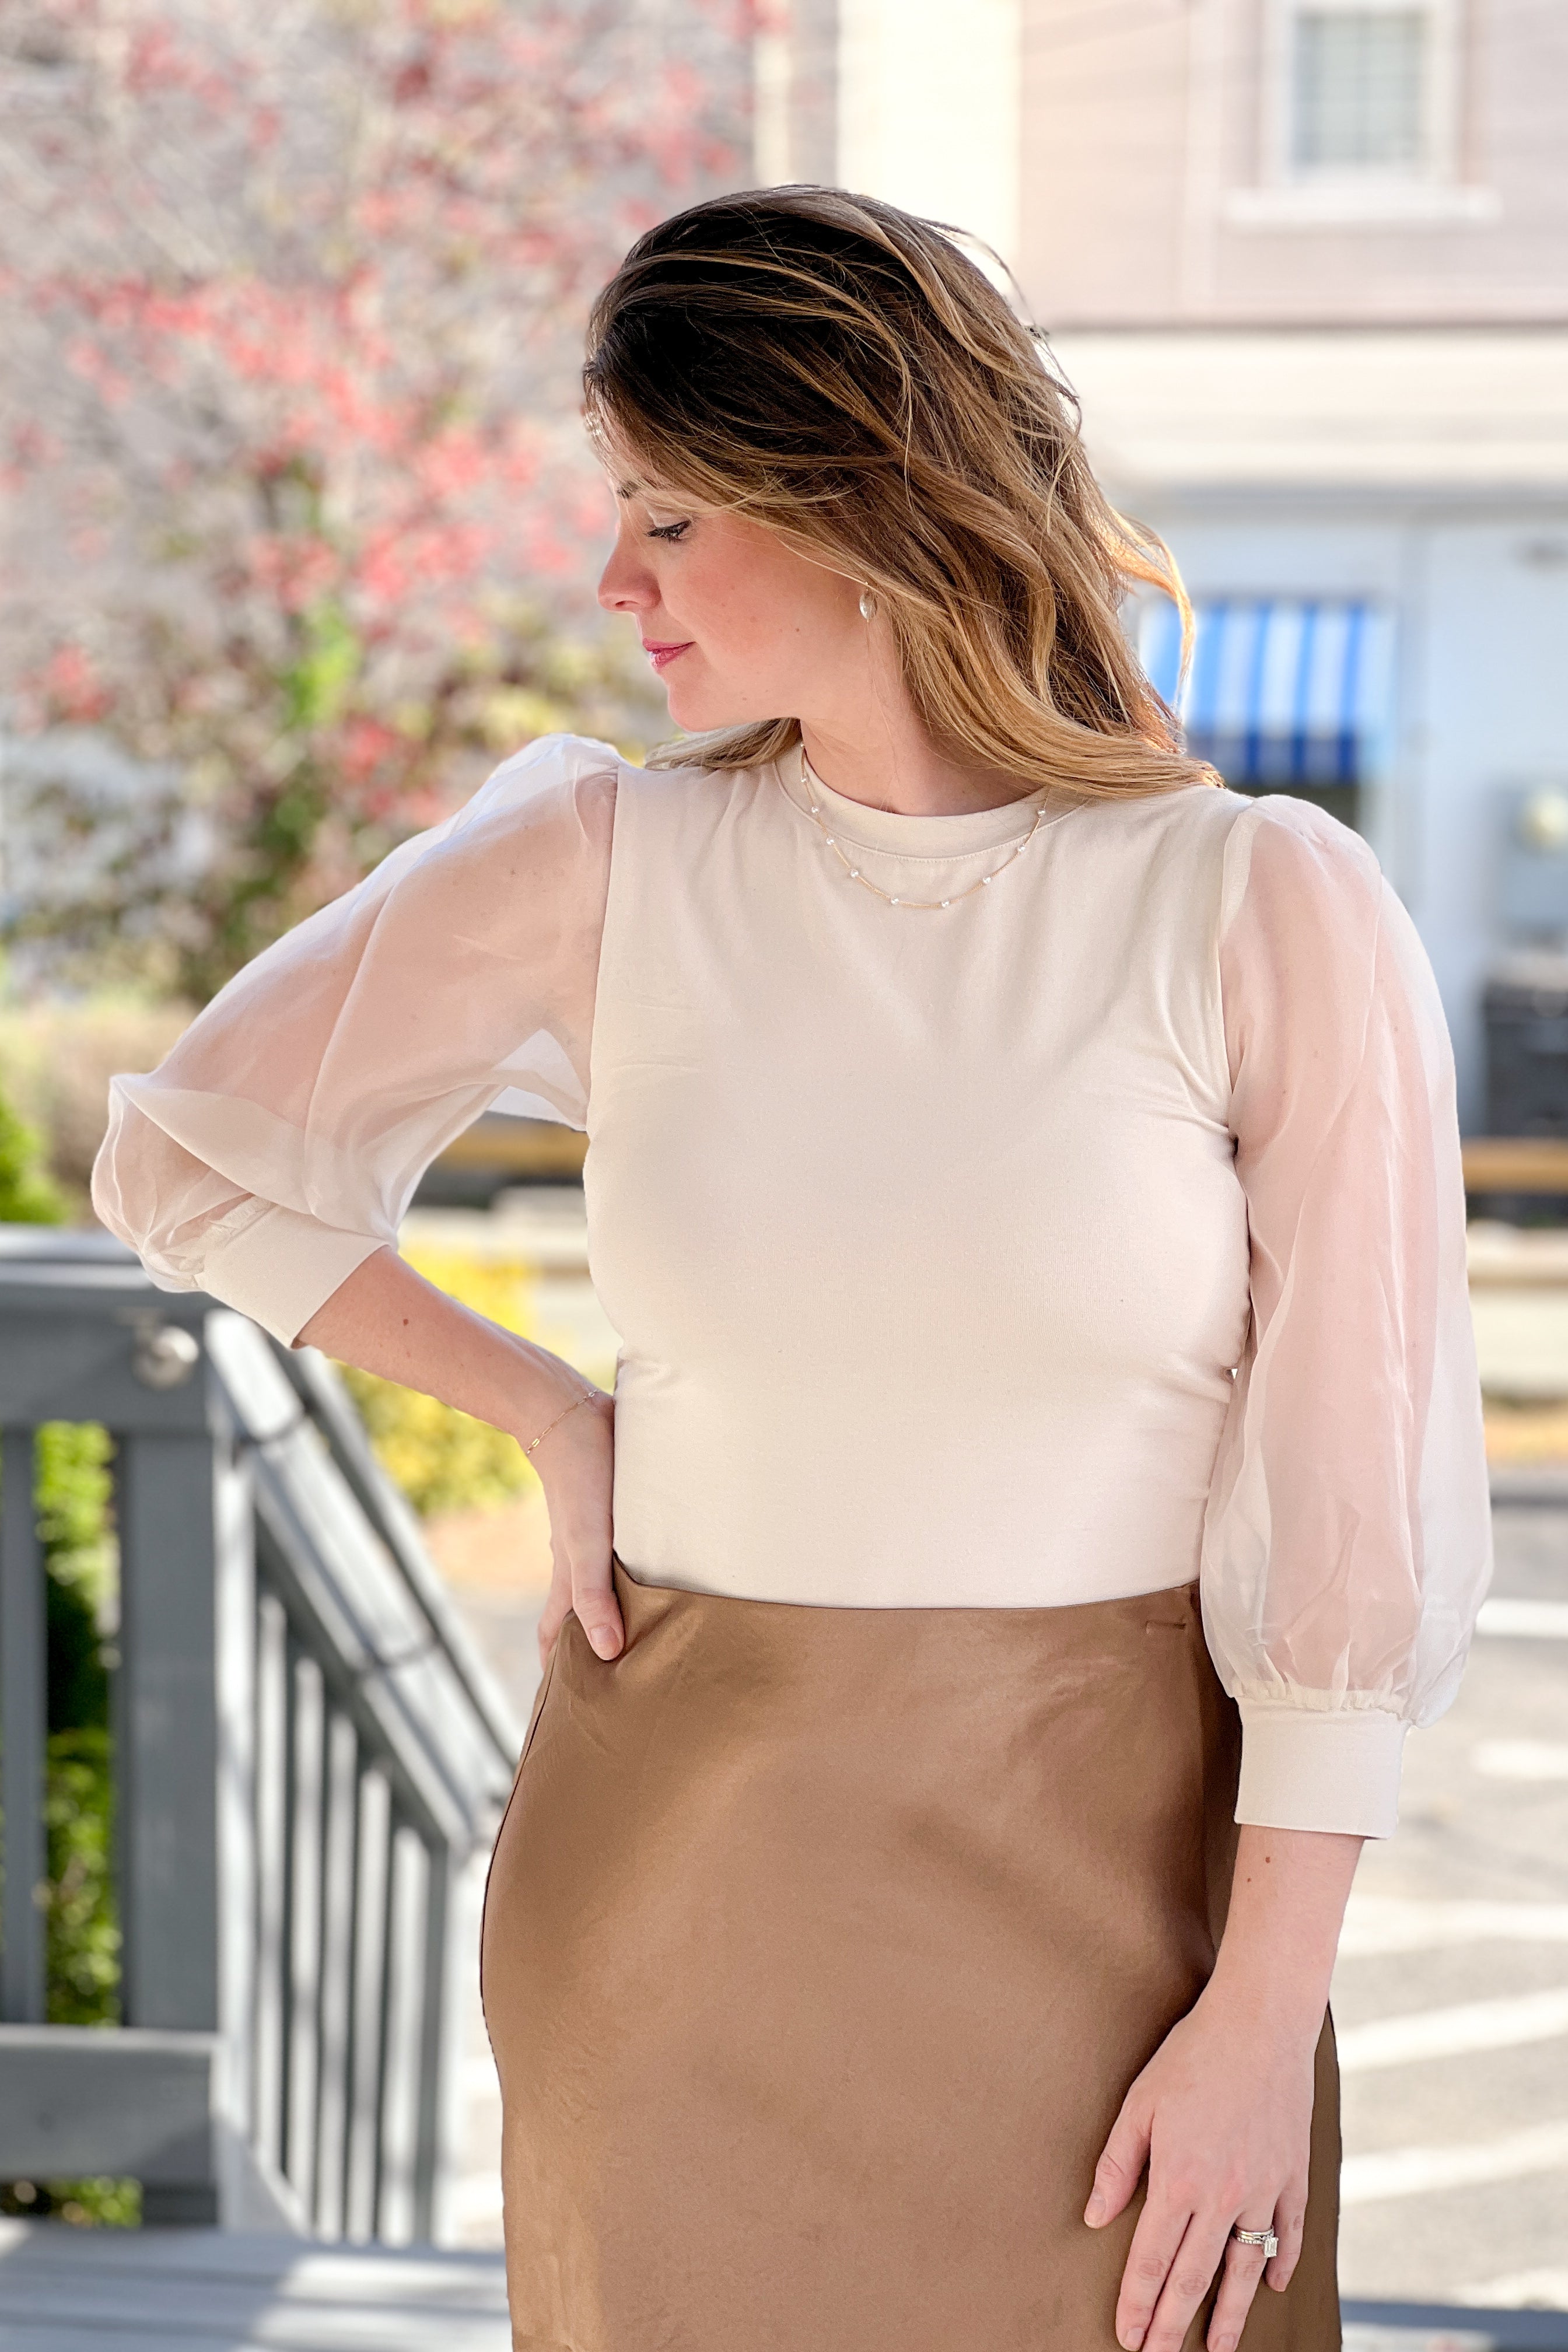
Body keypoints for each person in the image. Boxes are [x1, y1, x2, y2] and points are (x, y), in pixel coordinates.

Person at [92, 186, 1492, 2352]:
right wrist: (549, 1413)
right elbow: (188, 1159)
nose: (612, 580)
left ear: (861, 498)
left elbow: (1345, 1511)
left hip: (1124, 1913)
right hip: (674, 1905)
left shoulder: (1251, 903)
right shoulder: (610, 862)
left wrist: (1259, 2017)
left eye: (667, 518)